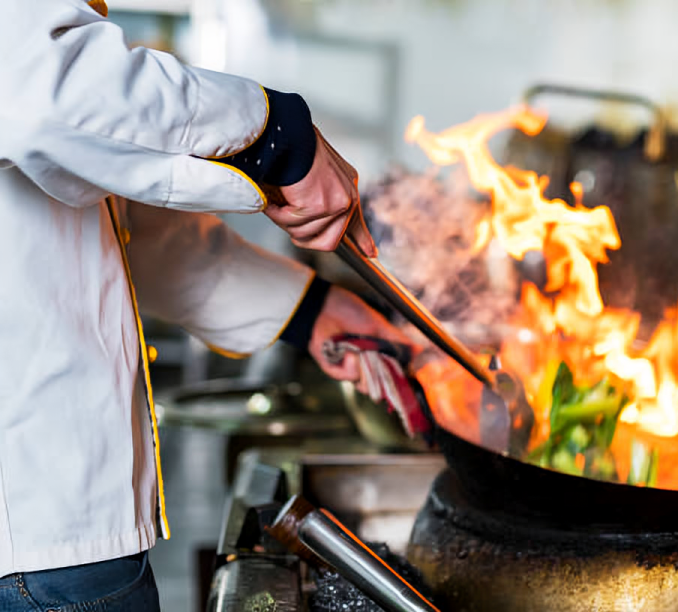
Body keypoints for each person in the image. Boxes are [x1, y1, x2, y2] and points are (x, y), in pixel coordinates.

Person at [0, 0, 409, 609]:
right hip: (38, 530)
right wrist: (274, 134)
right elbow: (43, 91)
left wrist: (310, 308)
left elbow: (117, 230)